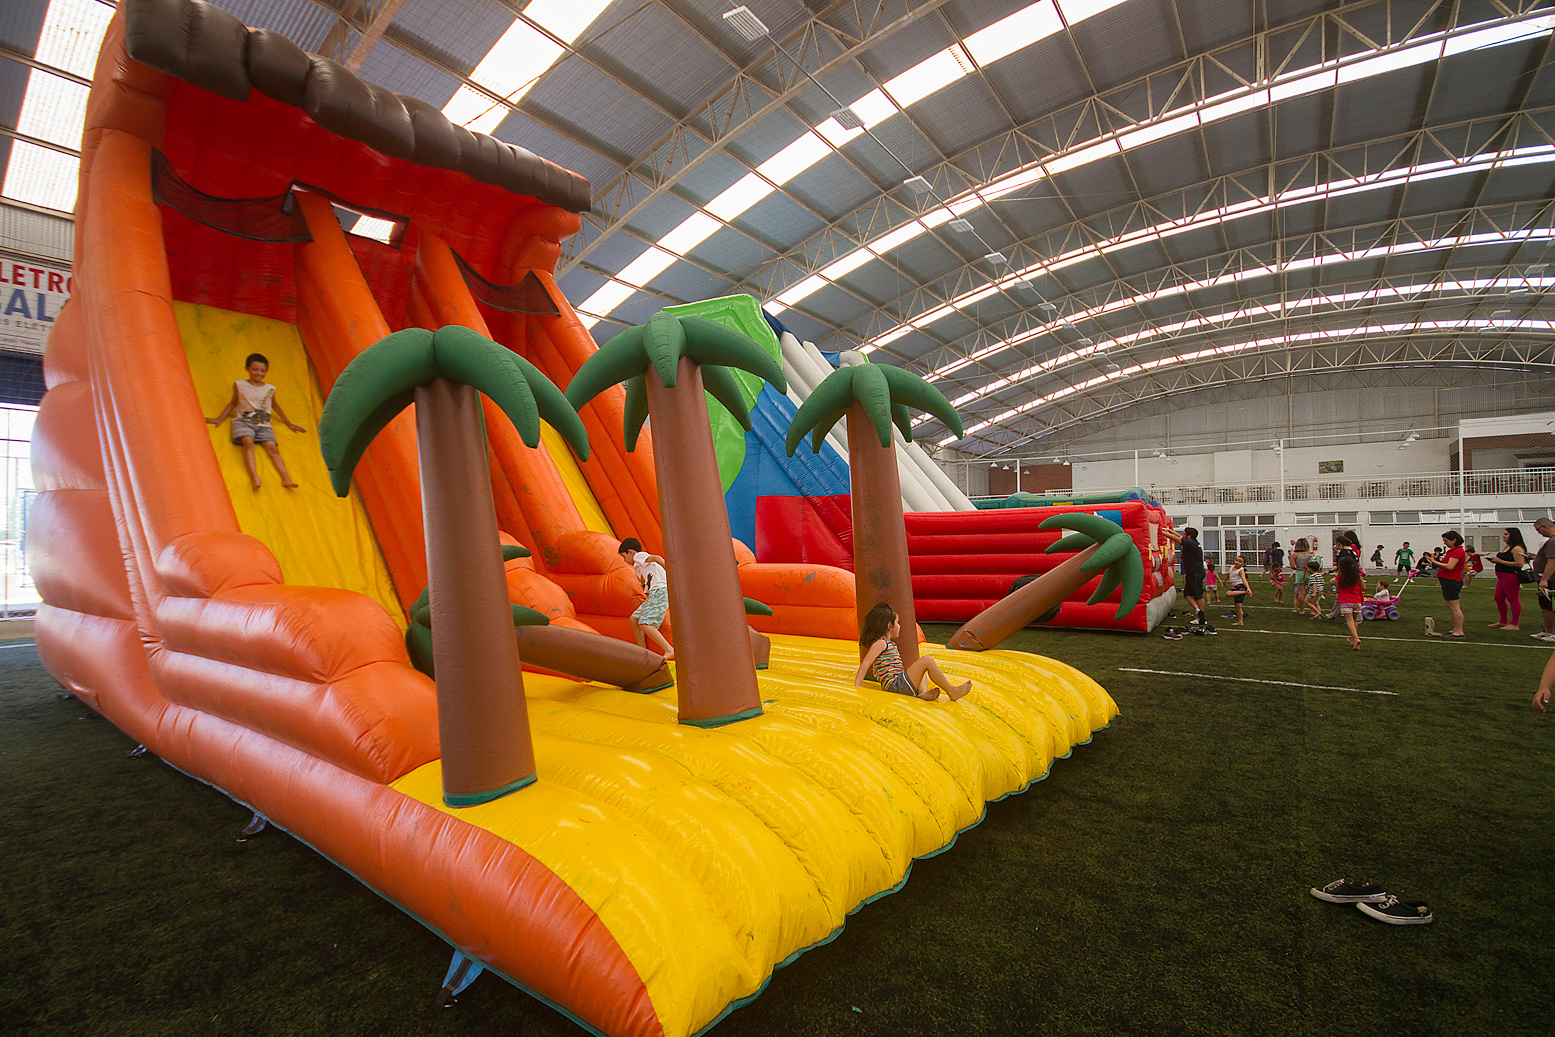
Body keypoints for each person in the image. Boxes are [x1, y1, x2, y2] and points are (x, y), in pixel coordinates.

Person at [205, 352, 305, 490]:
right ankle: (254, 478)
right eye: (255, 369)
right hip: (243, 422)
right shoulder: (240, 385)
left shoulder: (269, 389)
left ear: (266, 371)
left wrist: (289, 423)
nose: (259, 373)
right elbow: (233, 402)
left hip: (263, 424)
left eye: (263, 371)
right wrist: (219, 419)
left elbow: (275, 406)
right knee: (248, 442)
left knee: (272, 448)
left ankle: (286, 479)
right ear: (247, 369)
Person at [854, 602, 971, 701]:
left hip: (898, 683)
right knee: (927, 661)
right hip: (896, 686)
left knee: (923, 668)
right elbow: (866, 663)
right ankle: (952, 691)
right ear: (889, 626)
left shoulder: (890, 644)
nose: (899, 626)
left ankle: (922, 693)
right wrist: (858, 684)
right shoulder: (880, 643)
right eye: (897, 622)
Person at [618, 537, 674, 660]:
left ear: (630, 552)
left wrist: (670, 570)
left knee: (645, 623)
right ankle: (643, 651)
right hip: (654, 593)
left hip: (660, 590)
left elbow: (657, 558)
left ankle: (669, 649)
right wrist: (643, 584)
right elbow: (644, 580)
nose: (625, 561)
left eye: (624, 557)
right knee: (634, 619)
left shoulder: (638, 557)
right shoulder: (638, 567)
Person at [1163, 527, 1213, 632]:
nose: (1183, 535)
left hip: (1195, 573)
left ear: (1189, 536)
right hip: (1192, 573)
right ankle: (1198, 611)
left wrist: (1162, 532)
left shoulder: (1191, 543)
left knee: (1198, 595)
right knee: (1187, 594)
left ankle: (1202, 617)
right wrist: (1169, 531)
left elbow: (1177, 539)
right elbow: (1179, 536)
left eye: (1185, 534)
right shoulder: (1193, 542)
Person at [1489, 527, 1529, 631]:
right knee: (1498, 598)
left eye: (1506, 534)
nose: (1503, 536)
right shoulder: (1507, 546)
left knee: (1513, 599)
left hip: (1510, 576)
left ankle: (1515, 624)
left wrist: (1500, 561)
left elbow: (1519, 564)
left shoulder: (1517, 548)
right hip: (1501, 576)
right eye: (1503, 534)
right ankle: (1503, 621)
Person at [1436, 530, 1468, 637]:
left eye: (1446, 541)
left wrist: (1434, 562)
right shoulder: (1452, 551)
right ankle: (1455, 629)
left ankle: (1459, 631)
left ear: (1454, 540)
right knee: (1451, 605)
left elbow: (1450, 566)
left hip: (1452, 580)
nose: (1445, 543)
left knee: (1454, 607)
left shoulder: (1457, 551)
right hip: (1447, 579)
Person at [1335, 552, 1366, 649]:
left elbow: (1337, 590)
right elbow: (1364, 587)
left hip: (1345, 601)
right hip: (1357, 600)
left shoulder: (1339, 578)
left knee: (1350, 621)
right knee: (1355, 621)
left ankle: (1356, 639)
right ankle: (1352, 639)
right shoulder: (1357, 576)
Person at [1532, 517, 1555, 642]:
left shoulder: (1553, 541)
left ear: (1544, 527)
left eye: (1538, 530)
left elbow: (1552, 562)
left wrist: (1544, 579)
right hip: (1548, 578)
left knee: (1549, 606)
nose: (1539, 533)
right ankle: (1548, 630)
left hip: (1550, 579)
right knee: (1546, 605)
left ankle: (1552, 632)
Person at [1226, 555, 1252, 626]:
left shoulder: (1241, 570)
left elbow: (1244, 580)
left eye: (1240, 562)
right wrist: (1225, 581)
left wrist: (1248, 588)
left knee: (1228, 594)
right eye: (1236, 560)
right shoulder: (1231, 567)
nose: (1237, 562)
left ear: (1243, 564)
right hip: (1236, 587)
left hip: (1240, 586)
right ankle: (1240, 621)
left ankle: (1245, 592)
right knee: (1237, 605)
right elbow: (1229, 574)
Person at [1290, 538, 1312, 614]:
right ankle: (1313, 610)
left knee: (1301, 592)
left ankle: (1302, 610)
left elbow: (1292, 566)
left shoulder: (1295, 555)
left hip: (1300, 573)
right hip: (1309, 572)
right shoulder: (1310, 554)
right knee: (1311, 592)